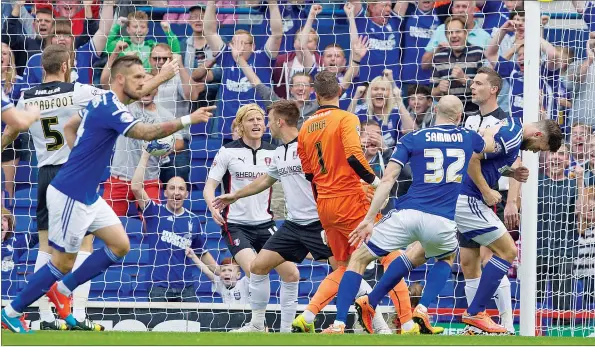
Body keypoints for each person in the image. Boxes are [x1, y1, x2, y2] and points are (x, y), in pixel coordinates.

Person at [0, 54, 214, 334]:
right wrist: (189, 118)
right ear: (121, 79)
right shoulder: (105, 104)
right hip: (70, 193)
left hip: (87, 192)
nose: (143, 83)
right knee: (62, 261)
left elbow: (69, 126)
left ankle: (61, 291)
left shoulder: (103, 101)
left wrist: (82, 155)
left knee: (120, 244)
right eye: (138, 77)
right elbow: (146, 132)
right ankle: (11, 311)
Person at [327, 95, 491, 335]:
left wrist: (368, 219)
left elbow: (388, 179)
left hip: (408, 214)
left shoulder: (413, 138)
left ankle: (340, 324)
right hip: (442, 220)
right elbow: (489, 146)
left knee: (359, 259)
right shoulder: (468, 137)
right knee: (446, 258)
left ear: (434, 110)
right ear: (459, 117)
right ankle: (422, 308)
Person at [211, 100, 374, 333]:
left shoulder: (310, 145)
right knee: (258, 267)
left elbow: (336, 172)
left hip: (319, 222)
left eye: (268, 120)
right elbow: (266, 180)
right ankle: (258, 325)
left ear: (279, 122)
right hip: (293, 225)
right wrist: (236, 195)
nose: (266, 125)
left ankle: (377, 320)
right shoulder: (279, 152)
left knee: (345, 269)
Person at [293, 70, 415, 335]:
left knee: (347, 266)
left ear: (315, 93)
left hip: (325, 205)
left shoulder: (304, 128)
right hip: (352, 199)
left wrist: (323, 215)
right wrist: (376, 183)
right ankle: (407, 322)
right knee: (391, 255)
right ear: (339, 92)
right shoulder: (346, 118)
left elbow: (309, 176)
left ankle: (309, 314)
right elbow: (353, 158)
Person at [456, 118, 562, 334]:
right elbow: (472, 156)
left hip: (463, 197)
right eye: (538, 149)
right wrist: (486, 190)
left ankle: (371, 300)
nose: (534, 152)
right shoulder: (511, 137)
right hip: (467, 198)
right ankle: (476, 312)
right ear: (538, 135)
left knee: (423, 252)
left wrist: (511, 173)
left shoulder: (511, 130)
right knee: (507, 251)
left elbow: (490, 161)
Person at [203, 103, 300, 333]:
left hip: (266, 225)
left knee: (292, 273)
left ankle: (287, 332)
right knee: (257, 269)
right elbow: (209, 187)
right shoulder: (228, 151)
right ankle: (258, 324)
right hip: (236, 226)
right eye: (250, 120)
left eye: (259, 119)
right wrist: (212, 207)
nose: (256, 123)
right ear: (240, 125)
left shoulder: (274, 152)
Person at [461, 67, 521, 334]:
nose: (472, 87)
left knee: (492, 258)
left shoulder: (505, 122)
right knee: (467, 263)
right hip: (464, 197)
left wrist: (512, 202)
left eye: (478, 83)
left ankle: (507, 326)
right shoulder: (470, 120)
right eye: (472, 83)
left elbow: (513, 165)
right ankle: (476, 324)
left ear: (493, 89)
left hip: (486, 199)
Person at [131, 151, 217, 302]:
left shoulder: (193, 219)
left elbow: (202, 252)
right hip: (158, 287)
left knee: (192, 325)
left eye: (181, 189)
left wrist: (218, 270)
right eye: (172, 188)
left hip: (186, 287)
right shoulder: (154, 212)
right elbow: (136, 188)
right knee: (157, 326)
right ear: (165, 193)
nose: (176, 192)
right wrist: (145, 155)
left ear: (187, 194)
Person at [103, 74, 183, 216]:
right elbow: (105, 84)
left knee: (153, 224)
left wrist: (170, 147)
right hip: (120, 178)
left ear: (156, 89)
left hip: (149, 180)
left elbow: (180, 142)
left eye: (150, 85)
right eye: (142, 85)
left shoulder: (166, 115)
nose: (146, 89)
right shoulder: (124, 108)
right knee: (107, 224)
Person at [203, 0, 283, 140]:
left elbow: (277, 34)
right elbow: (209, 32)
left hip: (260, 128)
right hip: (230, 129)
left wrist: (272, 3)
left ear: (253, 46)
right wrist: (211, 3)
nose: (238, 47)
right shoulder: (226, 57)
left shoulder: (262, 58)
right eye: (234, 43)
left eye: (243, 43)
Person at [23, 4, 114, 87]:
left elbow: (103, 32)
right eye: (57, 35)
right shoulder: (35, 61)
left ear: (72, 39)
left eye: (66, 35)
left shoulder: (84, 54)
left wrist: (108, 3)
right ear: (50, 39)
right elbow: (26, 97)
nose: (62, 38)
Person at [430, 16, 485, 115]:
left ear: (466, 33)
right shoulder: (438, 57)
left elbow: (486, 89)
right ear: (446, 35)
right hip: (449, 118)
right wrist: (438, 90)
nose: (454, 35)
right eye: (450, 32)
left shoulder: (479, 53)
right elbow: (433, 93)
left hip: (475, 116)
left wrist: (465, 80)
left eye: (458, 31)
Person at [350, 71, 416, 148]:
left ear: (389, 93)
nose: (379, 92)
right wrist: (355, 98)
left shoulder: (397, 113)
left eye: (383, 89)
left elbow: (412, 132)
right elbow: (346, 129)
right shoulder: (361, 112)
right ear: (369, 93)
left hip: (391, 158)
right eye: (375, 89)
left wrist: (398, 100)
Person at [106, 11, 181, 70]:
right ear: (128, 30)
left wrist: (168, 31)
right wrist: (117, 26)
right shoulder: (121, 45)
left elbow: (175, 54)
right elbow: (105, 48)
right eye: (135, 27)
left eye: (142, 27)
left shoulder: (153, 46)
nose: (139, 30)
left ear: (147, 30)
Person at [1, 43, 26, 202]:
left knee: (5, 186)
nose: (0, 57)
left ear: (10, 57)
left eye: (4, 53)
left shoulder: (19, 82)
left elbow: (21, 113)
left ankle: (6, 223)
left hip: (9, 141)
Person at [1, 5, 54, 76]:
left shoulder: (59, 47)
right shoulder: (25, 44)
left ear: (54, 26)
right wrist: (17, 8)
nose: (43, 23)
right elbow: (6, 39)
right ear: (33, 25)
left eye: (47, 21)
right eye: (39, 21)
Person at [185, 255, 250, 305]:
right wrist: (193, 256)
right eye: (223, 270)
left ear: (238, 275)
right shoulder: (220, 284)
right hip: (229, 317)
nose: (226, 273)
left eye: (230, 270)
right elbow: (207, 271)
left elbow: (252, 270)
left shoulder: (244, 283)